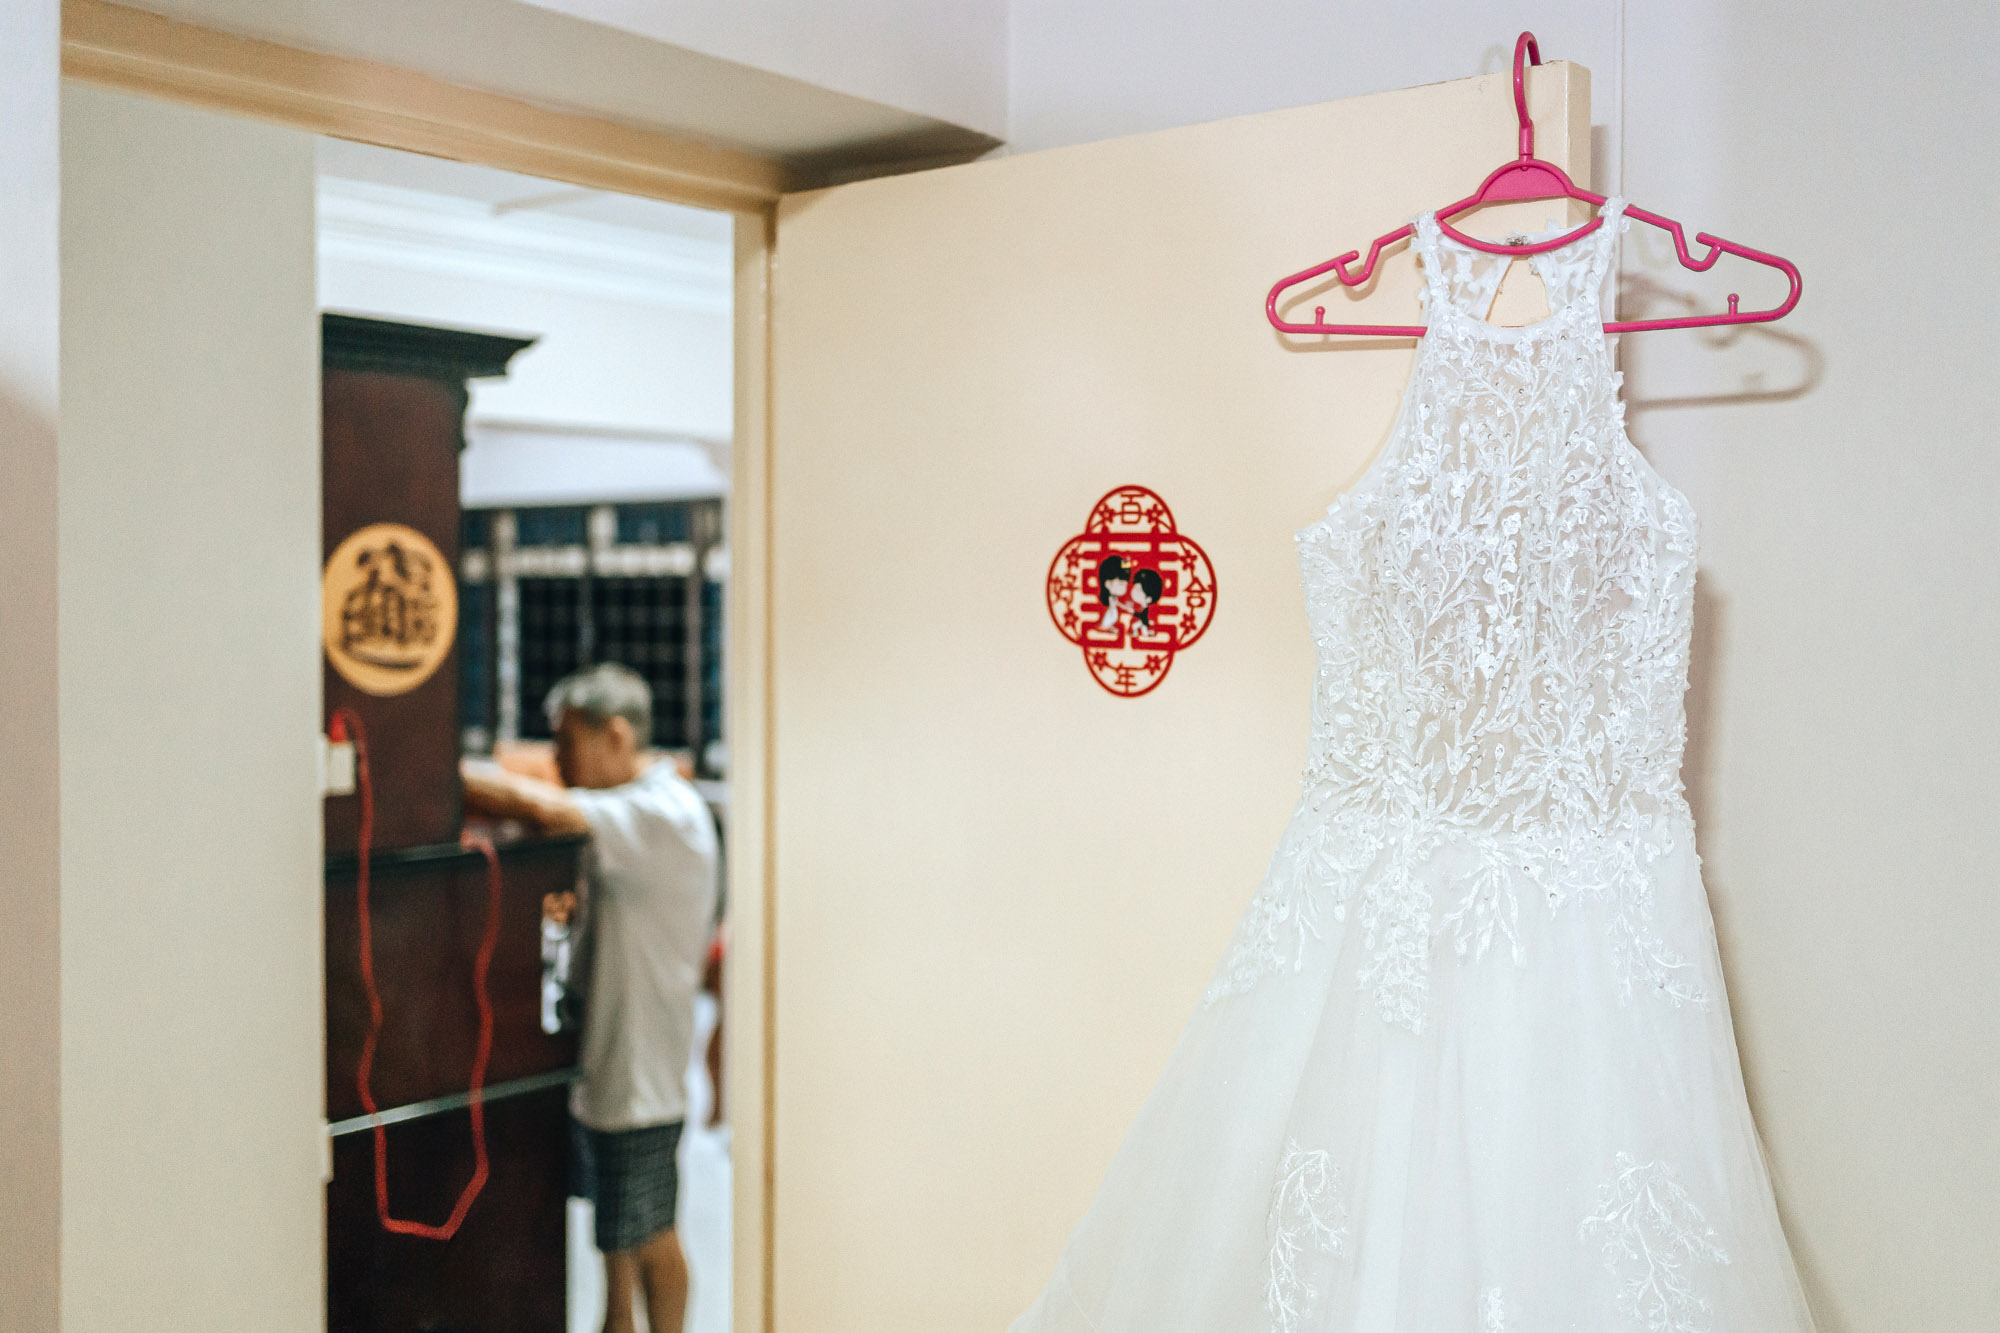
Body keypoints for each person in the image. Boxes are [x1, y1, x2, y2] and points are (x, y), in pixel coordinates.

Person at [461, 662, 718, 1333]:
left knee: (651, 1228)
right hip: (612, 1060)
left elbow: (544, 807)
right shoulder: (638, 808)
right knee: (618, 1227)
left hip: (641, 1072)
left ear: (616, 735)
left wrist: (443, 775)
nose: (558, 759)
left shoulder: (663, 814)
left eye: (567, 740)